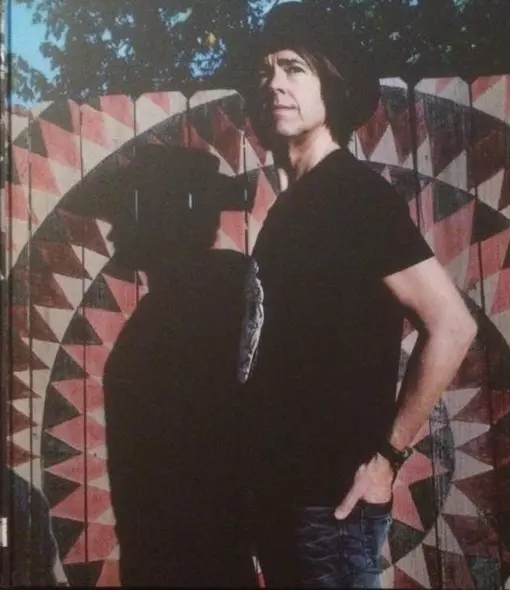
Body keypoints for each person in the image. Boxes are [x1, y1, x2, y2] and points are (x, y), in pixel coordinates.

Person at [236, 3, 478, 588]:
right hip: (282, 497)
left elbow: (452, 325)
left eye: (294, 68)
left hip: (331, 506)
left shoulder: (352, 195)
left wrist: (386, 461)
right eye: (266, 71)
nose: (274, 83)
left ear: (333, 86)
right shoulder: (291, 208)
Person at [102, 146, 261, 588]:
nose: (113, 231)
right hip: (189, 547)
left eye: (127, 211)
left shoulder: (204, 298)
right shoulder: (224, 287)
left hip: (185, 550)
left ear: (163, 216)